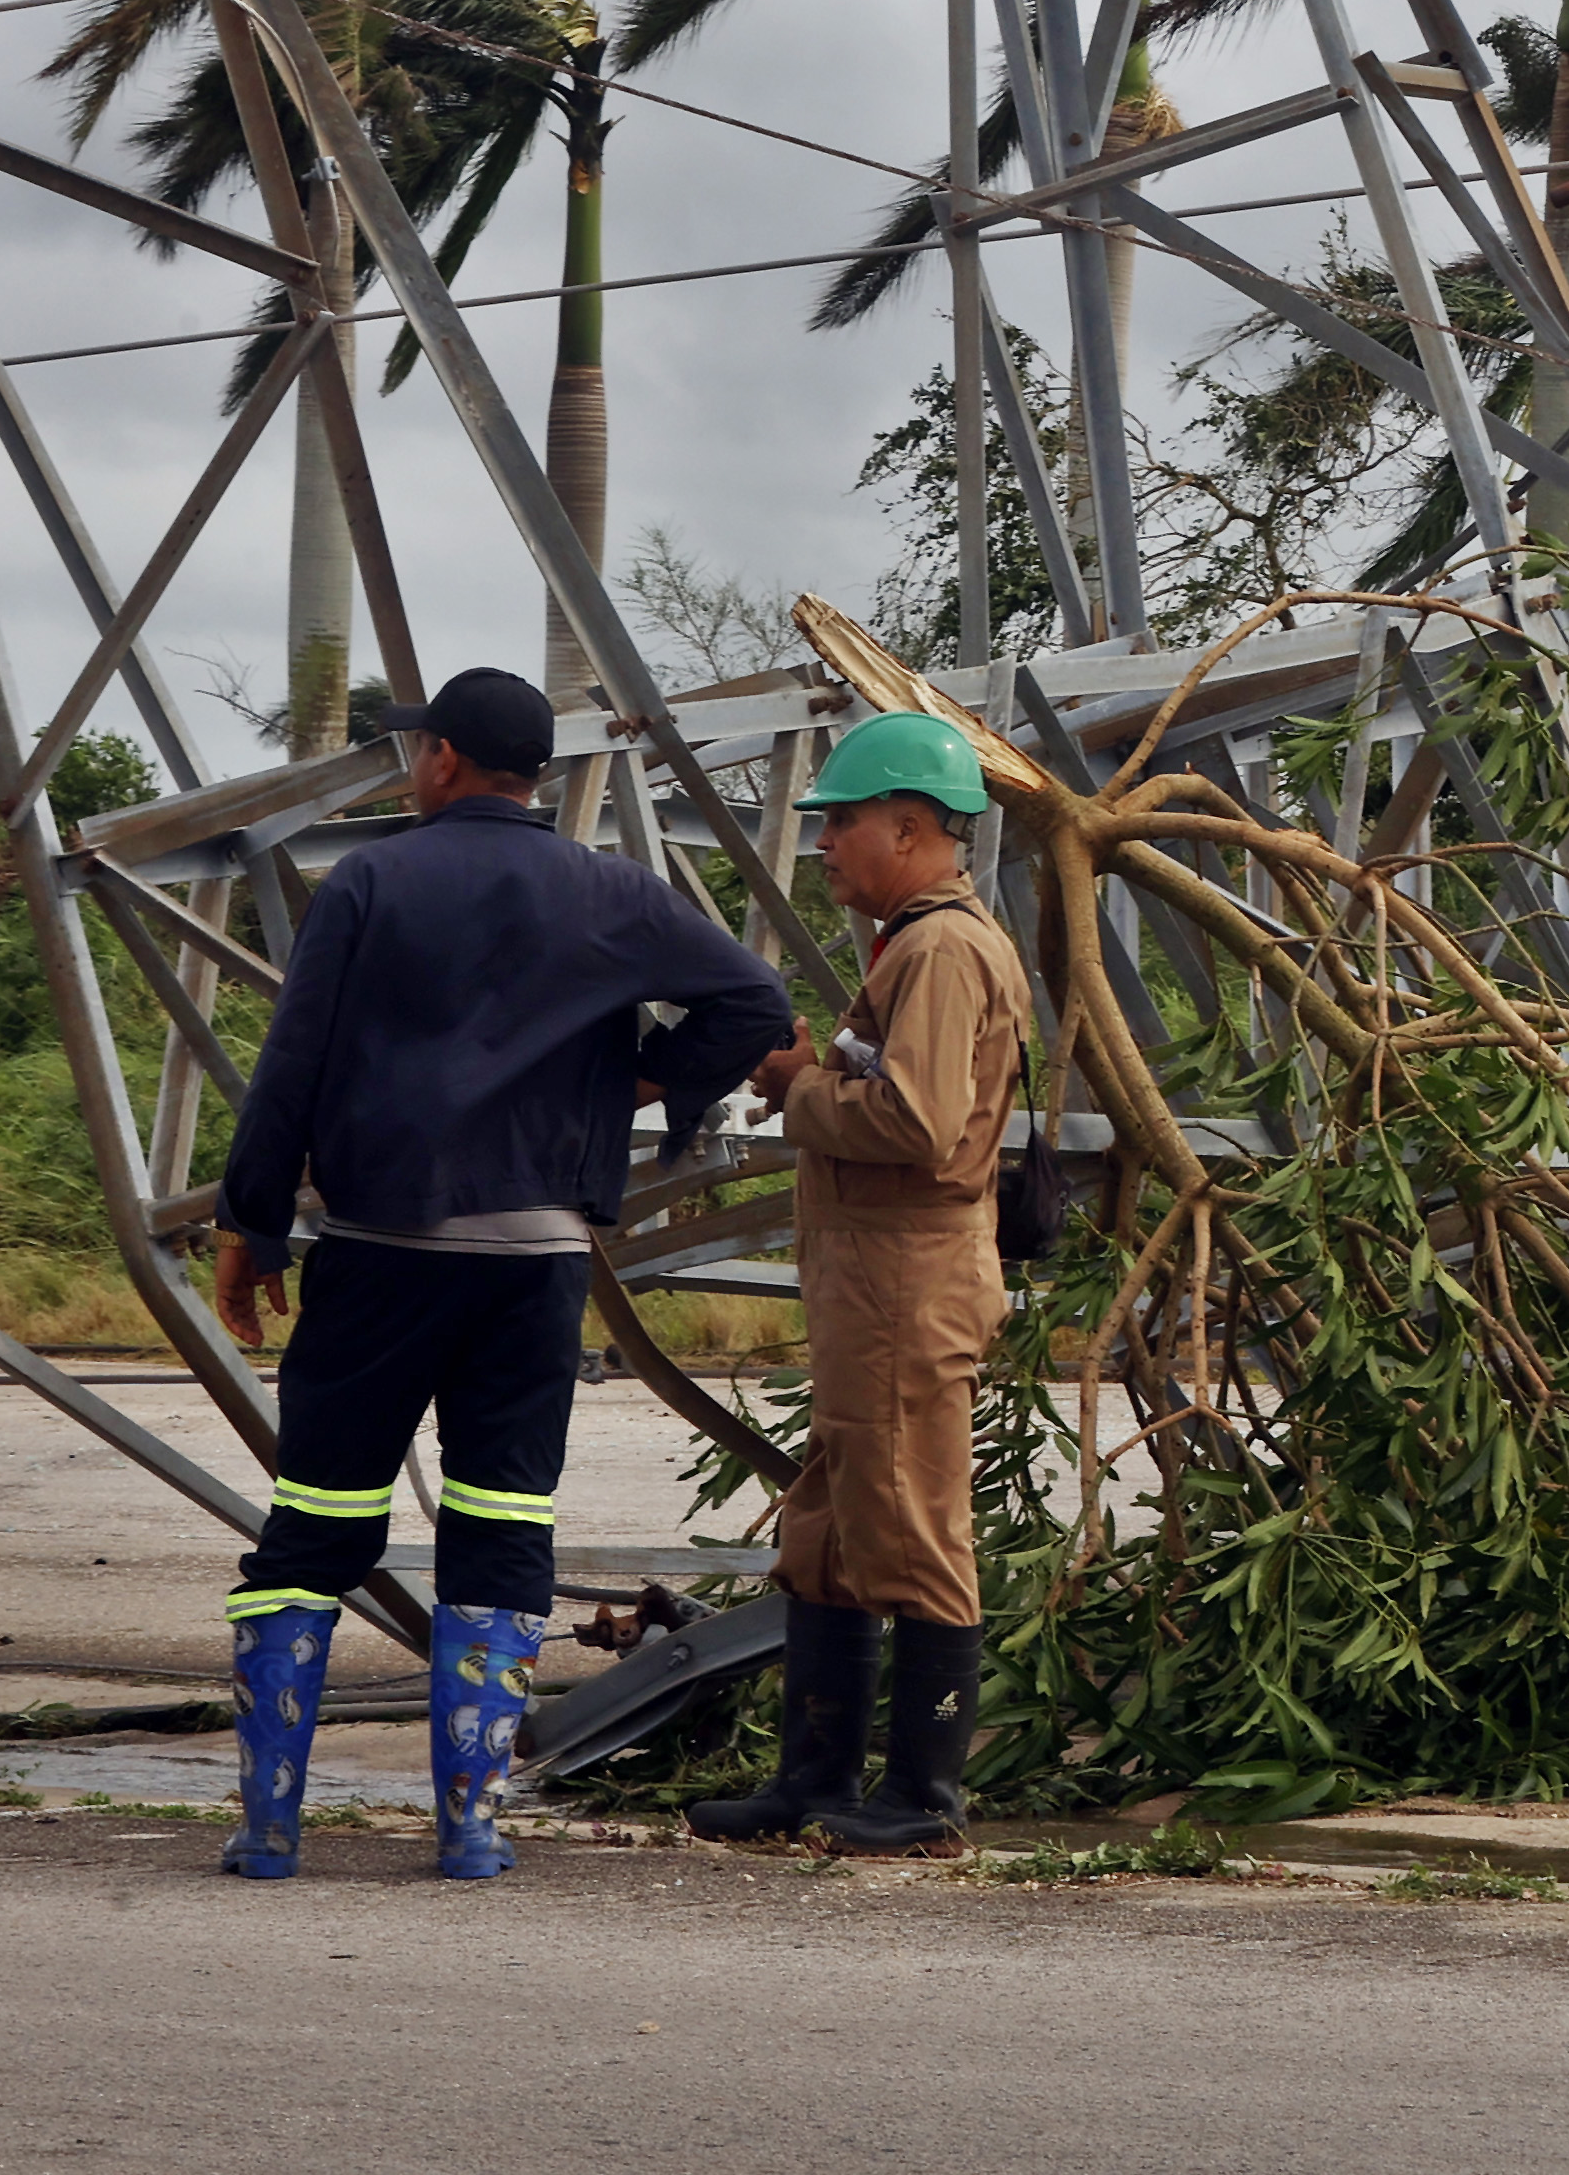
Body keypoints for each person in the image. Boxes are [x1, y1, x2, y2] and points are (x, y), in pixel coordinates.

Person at [212, 667, 791, 1881]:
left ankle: (271, 1826)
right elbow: (753, 997)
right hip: (533, 1266)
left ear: (443, 759)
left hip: (379, 1253)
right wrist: (634, 1079)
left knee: (314, 1519)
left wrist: (251, 1222)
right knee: (500, 1519)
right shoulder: (607, 890)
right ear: (532, 771)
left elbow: (293, 1063)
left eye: (417, 747)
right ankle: (471, 1827)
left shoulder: (370, 880)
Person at [684, 711, 1032, 1855]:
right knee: (830, 1524)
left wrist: (794, 1088)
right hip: (875, 1279)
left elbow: (919, 1122)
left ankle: (924, 1794)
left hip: (906, 1278)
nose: (824, 844)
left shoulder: (939, 948)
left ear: (910, 827)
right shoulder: (921, 941)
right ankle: (813, 1775)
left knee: (916, 1524)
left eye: (839, 823)